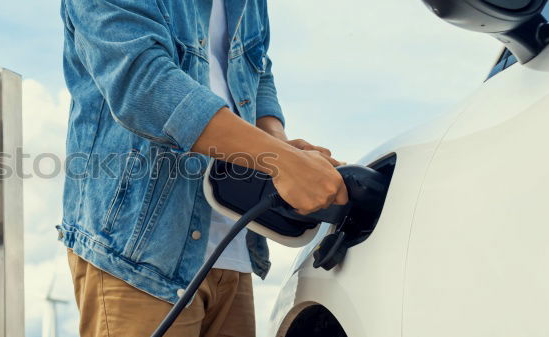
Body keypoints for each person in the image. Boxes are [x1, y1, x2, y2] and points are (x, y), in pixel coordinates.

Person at [58, 0, 346, 335]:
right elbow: (144, 86)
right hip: (140, 256)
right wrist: (279, 160)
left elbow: (259, 72)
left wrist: (278, 146)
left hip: (233, 245)